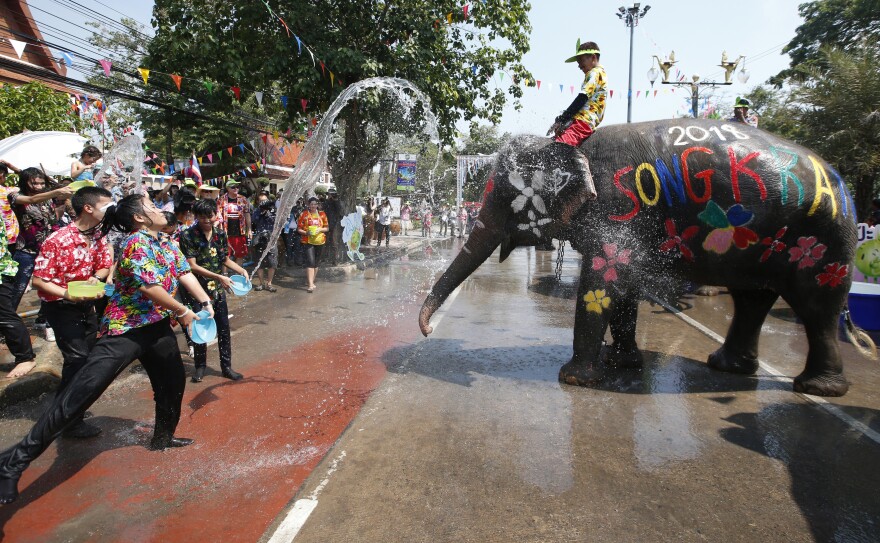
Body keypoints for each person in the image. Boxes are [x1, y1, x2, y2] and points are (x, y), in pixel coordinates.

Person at [0, 194, 215, 505]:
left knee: (172, 385)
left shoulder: (165, 241)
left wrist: (204, 303)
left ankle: (163, 438)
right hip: (124, 329)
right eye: (152, 207)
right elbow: (149, 286)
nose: (160, 209)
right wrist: (183, 311)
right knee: (84, 390)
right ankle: (13, 462)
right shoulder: (134, 242)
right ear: (139, 218)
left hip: (156, 326)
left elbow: (183, 273)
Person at [31, 186, 113, 438]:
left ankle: (64, 408)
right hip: (61, 306)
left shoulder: (98, 235)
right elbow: (38, 280)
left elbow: (104, 264)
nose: (112, 211)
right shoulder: (58, 240)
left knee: (83, 359)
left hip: (86, 304)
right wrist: (68, 293)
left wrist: (95, 278)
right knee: (77, 359)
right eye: (107, 206)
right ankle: (68, 419)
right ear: (88, 208)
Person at [180, 199, 249, 382]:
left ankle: (226, 367)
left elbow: (224, 259)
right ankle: (200, 367)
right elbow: (192, 266)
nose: (208, 221)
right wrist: (218, 276)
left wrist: (240, 270)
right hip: (197, 290)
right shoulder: (188, 235)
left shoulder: (220, 233)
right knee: (200, 327)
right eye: (203, 218)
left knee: (223, 329)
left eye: (210, 216)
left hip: (218, 289)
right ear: (196, 217)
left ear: (215, 214)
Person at [10, 169, 73, 345]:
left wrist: (61, 197)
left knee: (50, 287)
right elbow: (31, 200)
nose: (38, 187)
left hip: (48, 250)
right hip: (26, 251)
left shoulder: (49, 198)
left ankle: (45, 322)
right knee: (17, 290)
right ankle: (6, 325)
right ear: (24, 182)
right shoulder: (16, 196)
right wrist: (54, 192)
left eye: (41, 183)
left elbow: (54, 217)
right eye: (34, 183)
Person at [548, 40, 607, 148]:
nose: (579, 65)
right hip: (580, 119)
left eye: (581, 60)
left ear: (593, 58)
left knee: (558, 148)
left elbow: (582, 98)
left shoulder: (595, 73)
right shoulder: (597, 74)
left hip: (584, 121)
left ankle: (581, 164)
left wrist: (563, 118)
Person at [297, 197, 328, 293]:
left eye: (315, 204)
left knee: (316, 263)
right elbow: (299, 229)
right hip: (308, 241)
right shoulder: (304, 214)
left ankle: (312, 281)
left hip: (320, 241)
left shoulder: (322, 214)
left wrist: (320, 229)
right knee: (310, 262)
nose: (313, 206)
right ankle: (310, 285)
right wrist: (306, 233)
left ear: (317, 205)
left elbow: (327, 228)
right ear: (308, 205)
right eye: (311, 204)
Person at [218, 179, 251, 265]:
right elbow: (218, 216)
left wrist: (249, 229)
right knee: (226, 255)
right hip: (226, 232)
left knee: (240, 255)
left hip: (239, 231)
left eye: (237, 187)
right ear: (228, 188)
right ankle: (225, 274)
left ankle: (239, 275)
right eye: (233, 187)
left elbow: (247, 214)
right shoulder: (221, 200)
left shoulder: (243, 199)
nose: (236, 189)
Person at [251, 192, 278, 292]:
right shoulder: (256, 210)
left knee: (272, 262)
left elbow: (276, 222)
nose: (263, 203)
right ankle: (261, 283)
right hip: (259, 238)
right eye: (261, 201)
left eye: (265, 200)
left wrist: (268, 214)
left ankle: (269, 283)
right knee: (259, 261)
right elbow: (254, 221)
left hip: (271, 238)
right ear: (258, 201)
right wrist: (261, 213)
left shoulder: (273, 210)